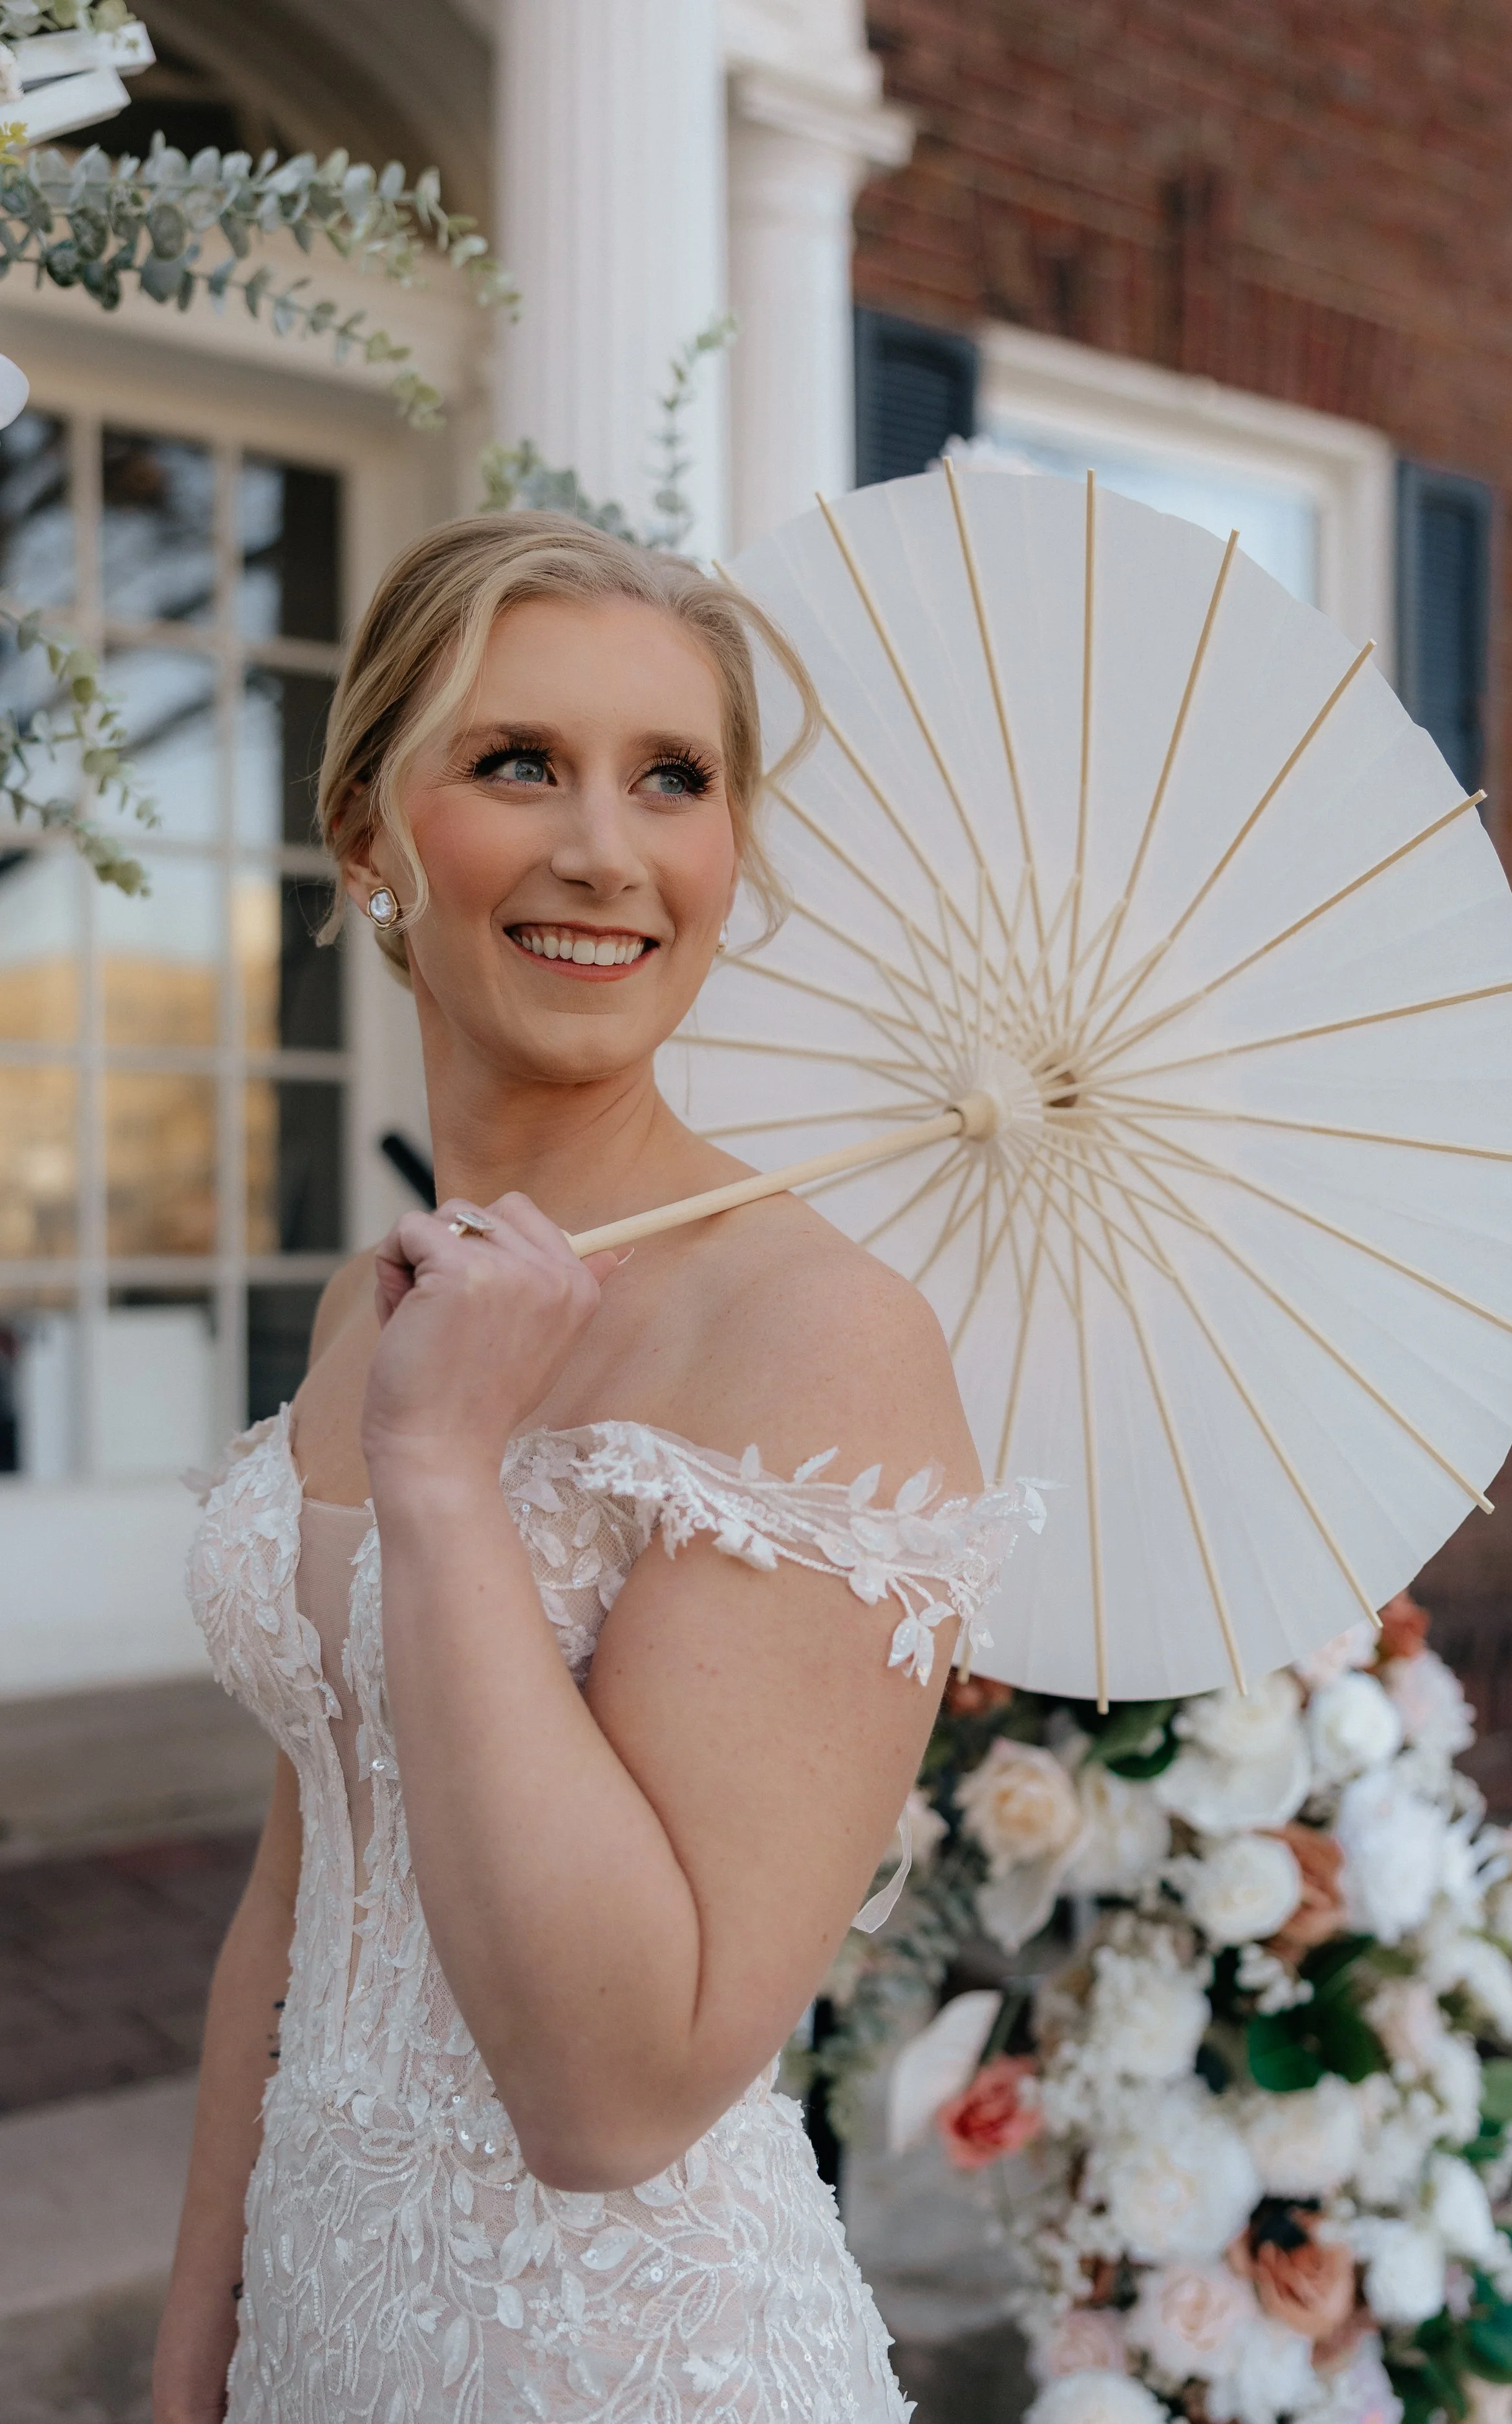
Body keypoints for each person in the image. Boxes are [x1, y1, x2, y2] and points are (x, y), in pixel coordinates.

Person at [152, 513, 1030, 2423]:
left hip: (627, 2367)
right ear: (371, 834)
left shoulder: (813, 1338)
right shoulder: (368, 1309)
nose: (602, 850)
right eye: (516, 760)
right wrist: (189, 2363)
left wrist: (447, 1482)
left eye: (672, 780)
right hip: (320, 2336)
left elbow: (616, 2090)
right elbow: (310, 1876)